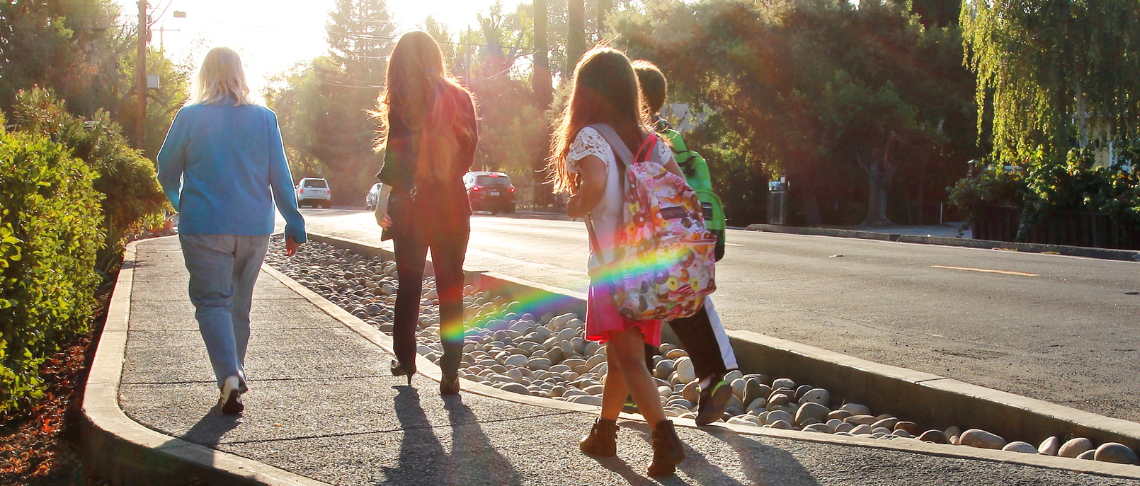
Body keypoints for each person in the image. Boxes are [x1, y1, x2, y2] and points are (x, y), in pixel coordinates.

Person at [548, 46, 686, 477]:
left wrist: (575, 206)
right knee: (622, 357)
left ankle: (665, 439)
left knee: (628, 358)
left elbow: (595, 181)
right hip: (651, 268)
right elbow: (683, 191)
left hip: (614, 269)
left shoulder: (590, 137)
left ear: (585, 92)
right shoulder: (651, 143)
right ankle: (604, 431)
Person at [156, 47, 306, 416]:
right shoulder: (264, 118)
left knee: (212, 302)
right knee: (239, 305)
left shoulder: (189, 117)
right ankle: (233, 381)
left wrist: (180, 202)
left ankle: (229, 374)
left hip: (204, 226)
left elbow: (165, 168)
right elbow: (280, 177)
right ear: (241, 73)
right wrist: (294, 222)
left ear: (205, 75)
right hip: (254, 228)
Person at [632, 60, 739, 427]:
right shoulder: (672, 138)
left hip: (646, 241)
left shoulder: (636, 136)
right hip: (684, 241)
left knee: (637, 306)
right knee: (689, 303)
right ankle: (712, 376)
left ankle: (634, 390)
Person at [373, 31, 477, 396]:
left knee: (410, 283)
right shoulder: (461, 98)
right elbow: (468, 154)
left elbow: (396, 155)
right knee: (451, 287)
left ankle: (406, 359)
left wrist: (383, 196)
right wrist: (444, 176)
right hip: (451, 205)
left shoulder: (403, 97)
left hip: (413, 209)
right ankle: (451, 371)